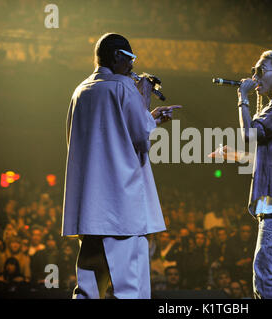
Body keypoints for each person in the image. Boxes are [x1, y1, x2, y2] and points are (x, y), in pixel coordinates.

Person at [61, 33, 182, 299]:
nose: (132, 66)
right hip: (121, 210)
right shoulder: (123, 87)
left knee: (88, 289)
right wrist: (144, 103)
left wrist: (148, 118)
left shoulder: (80, 91)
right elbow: (142, 139)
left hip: (89, 209)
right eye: (130, 59)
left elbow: (94, 138)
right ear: (117, 56)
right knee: (130, 289)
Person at [210, 50, 272, 298]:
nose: (254, 76)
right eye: (254, 71)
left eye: (260, 70)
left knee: (265, 283)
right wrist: (236, 156)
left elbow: (251, 134)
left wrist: (242, 97)